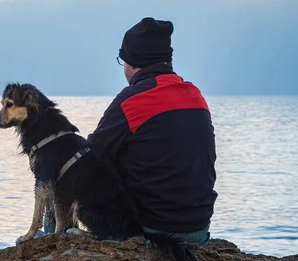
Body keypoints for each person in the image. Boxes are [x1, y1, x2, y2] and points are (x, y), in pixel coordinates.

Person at [87, 17, 217, 244]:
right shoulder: (195, 96)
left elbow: (91, 157)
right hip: (198, 229)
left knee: (81, 166)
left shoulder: (132, 100)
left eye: (123, 61)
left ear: (133, 63)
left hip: (155, 231)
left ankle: (51, 237)